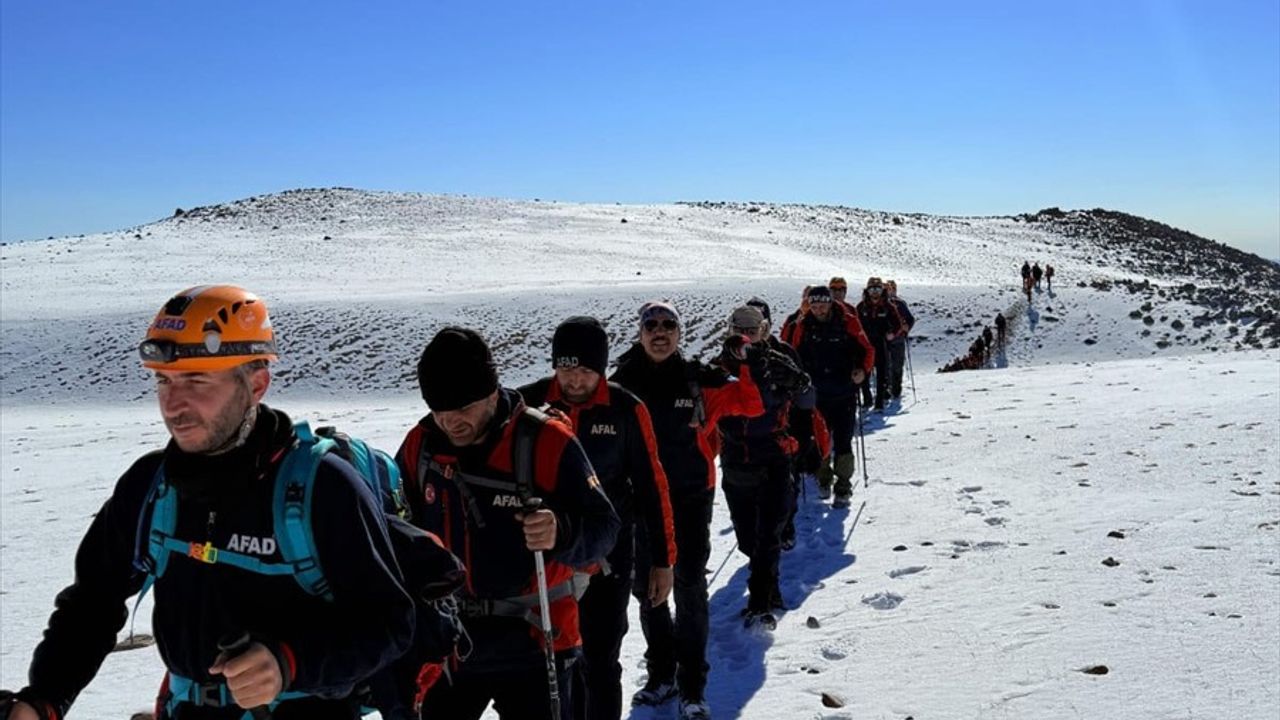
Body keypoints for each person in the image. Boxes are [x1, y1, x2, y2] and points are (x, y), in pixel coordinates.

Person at [1, 285, 416, 720]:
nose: (173, 404)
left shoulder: (322, 488)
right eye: (164, 380)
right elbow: (92, 605)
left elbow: (388, 623)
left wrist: (289, 663)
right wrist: (44, 698)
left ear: (256, 384)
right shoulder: (151, 486)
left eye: (197, 380)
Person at [395, 327, 620, 720]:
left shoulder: (546, 440)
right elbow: (398, 524)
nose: (451, 423)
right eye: (440, 412)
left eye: (463, 409)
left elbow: (604, 530)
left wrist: (560, 530)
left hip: (537, 639)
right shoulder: (423, 445)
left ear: (492, 393)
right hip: (451, 640)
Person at [610, 301, 765, 720]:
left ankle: (692, 683)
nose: (659, 332)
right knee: (649, 590)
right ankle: (661, 674)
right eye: (651, 326)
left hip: (691, 497)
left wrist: (744, 363)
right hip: (641, 503)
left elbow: (750, 406)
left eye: (668, 325)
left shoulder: (698, 378)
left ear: (679, 333)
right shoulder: (622, 382)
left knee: (690, 584)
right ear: (640, 333)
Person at [517, 316, 677, 720]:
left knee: (601, 656)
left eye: (585, 370)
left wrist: (662, 561)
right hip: (545, 554)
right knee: (553, 658)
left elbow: (652, 486)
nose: (574, 380)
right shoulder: (527, 404)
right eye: (566, 368)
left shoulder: (625, 408)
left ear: (601, 368)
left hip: (610, 553)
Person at [715, 305, 813, 629]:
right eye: (738, 328)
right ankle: (767, 588)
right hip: (735, 459)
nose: (745, 335)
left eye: (752, 329)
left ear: (765, 331)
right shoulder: (717, 368)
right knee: (747, 539)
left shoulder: (778, 363)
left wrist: (800, 384)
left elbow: (806, 400)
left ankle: (760, 603)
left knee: (768, 534)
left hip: (773, 456)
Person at [789, 285, 875, 507]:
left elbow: (867, 350)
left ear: (829, 302)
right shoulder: (803, 325)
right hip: (816, 395)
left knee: (844, 441)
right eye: (814, 306)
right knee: (820, 442)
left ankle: (843, 486)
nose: (818, 310)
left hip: (844, 392)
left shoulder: (848, 321)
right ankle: (823, 479)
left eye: (822, 305)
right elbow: (793, 354)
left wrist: (863, 371)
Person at [855, 277, 908, 411]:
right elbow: (854, 324)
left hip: (881, 343)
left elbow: (898, 323)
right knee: (865, 373)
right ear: (867, 290)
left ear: (882, 290)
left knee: (882, 373)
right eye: (872, 289)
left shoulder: (888, 306)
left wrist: (892, 333)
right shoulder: (861, 307)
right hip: (865, 345)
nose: (875, 292)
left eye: (878, 289)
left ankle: (879, 402)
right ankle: (867, 399)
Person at [883, 280, 915, 399]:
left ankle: (896, 389)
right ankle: (887, 389)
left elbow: (910, 319)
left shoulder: (900, 304)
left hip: (898, 339)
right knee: (885, 365)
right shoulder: (879, 305)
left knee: (897, 365)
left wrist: (907, 329)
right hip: (886, 341)